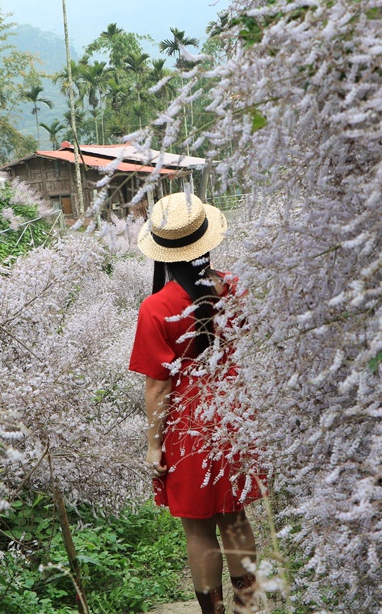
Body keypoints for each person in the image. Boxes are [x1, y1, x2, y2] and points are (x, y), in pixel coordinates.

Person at [129, 193, 263, 614]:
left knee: (198, 528)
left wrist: (154, 446)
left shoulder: (156, 308)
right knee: (236, 517)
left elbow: (158, 386)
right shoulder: (234, 288)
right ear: (207, 241)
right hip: (233, 410)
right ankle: (249, 606)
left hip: (189, 423)